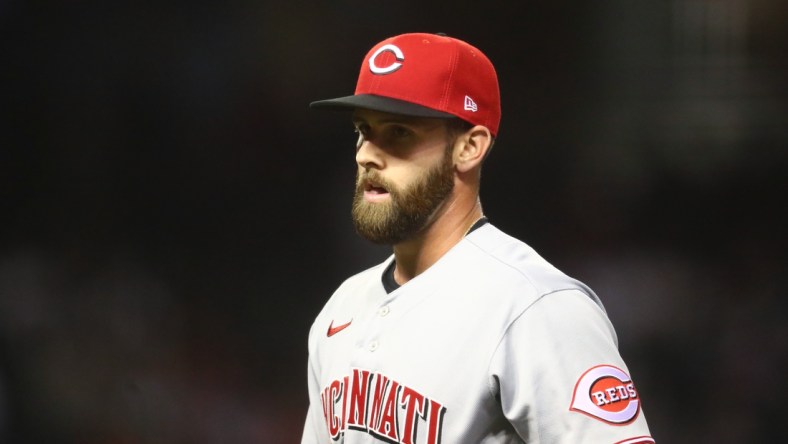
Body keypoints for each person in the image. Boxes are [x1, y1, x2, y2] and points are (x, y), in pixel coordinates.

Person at [301, 32, 654, 444]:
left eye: (398, 133)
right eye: (363, 129)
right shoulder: (343, 307)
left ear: (469, 148)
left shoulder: (534, 307)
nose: (366, 154)